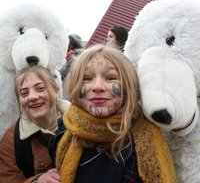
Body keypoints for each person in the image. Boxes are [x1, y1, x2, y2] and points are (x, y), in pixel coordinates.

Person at [49, 44, 178, 183]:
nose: (97, 86)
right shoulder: (65, 129)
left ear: (129, 85)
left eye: (110, 78)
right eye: (86, 79)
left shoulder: (143, 147)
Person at [0, 66, 70, 183]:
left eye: (40, 88)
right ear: (20, 102)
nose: (32, 97)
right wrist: (37, 181)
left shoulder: (83, 123)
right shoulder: (10, 141)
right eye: (24, 93)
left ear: (56, 91)